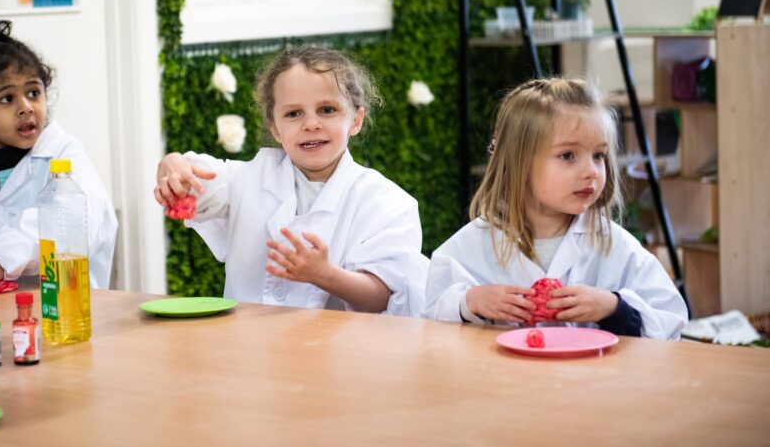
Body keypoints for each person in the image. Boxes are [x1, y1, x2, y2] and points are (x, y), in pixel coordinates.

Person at [155, 46, 427, 315]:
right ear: (274, 127)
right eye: (293, 114)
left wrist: (325, 275)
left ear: (355, 120)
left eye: (327, 109)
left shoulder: (386, 203)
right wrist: (173, 166)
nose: (311, 124)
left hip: (336, 354)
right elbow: (200, 180)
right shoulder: (249, 177)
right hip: (248, 349)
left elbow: (383, 298)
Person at [421, 78, 687, 339]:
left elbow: (670, 322)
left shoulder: (615, 245)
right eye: (568, 156)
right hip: (502, 380)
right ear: (517, 163)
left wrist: (614, 308)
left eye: (598, 155)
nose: (591, 171)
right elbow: (424, 317)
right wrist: (469, 303)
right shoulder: (470, 245)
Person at [0, 20, 118, 289]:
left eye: (33, 93)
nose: (26, 107)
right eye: (7, 99)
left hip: (67, 312)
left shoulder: (65, 153)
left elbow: (77, 221)